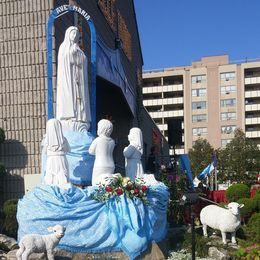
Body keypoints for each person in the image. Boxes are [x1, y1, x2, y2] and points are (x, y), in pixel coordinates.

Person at [56, 26, 91, 130]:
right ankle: (69, 117)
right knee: (70, 98)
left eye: (76, 34)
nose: (75, 35)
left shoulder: (79, 50)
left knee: (80, 101)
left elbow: (84, 61)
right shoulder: (64, 47)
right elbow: (65, 59)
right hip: (69, 80)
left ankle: (80, 117)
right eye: (73, 33)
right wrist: (72, 54)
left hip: (79, 81)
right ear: (68, 34)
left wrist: (79, 56)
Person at [43, 119, 70, 189]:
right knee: (62, 176)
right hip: (61, 159)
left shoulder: (46, 141)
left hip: (51, 160)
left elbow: (45, 152)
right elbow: (68, 150)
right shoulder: (63, 140)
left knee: (50, 176)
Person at [89, 119, 115, 185]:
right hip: (111, 165)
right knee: (108, 185)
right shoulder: (112, 141)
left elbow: (90, 151)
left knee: (96, 184)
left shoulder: (97, 140)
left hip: (100, 165)